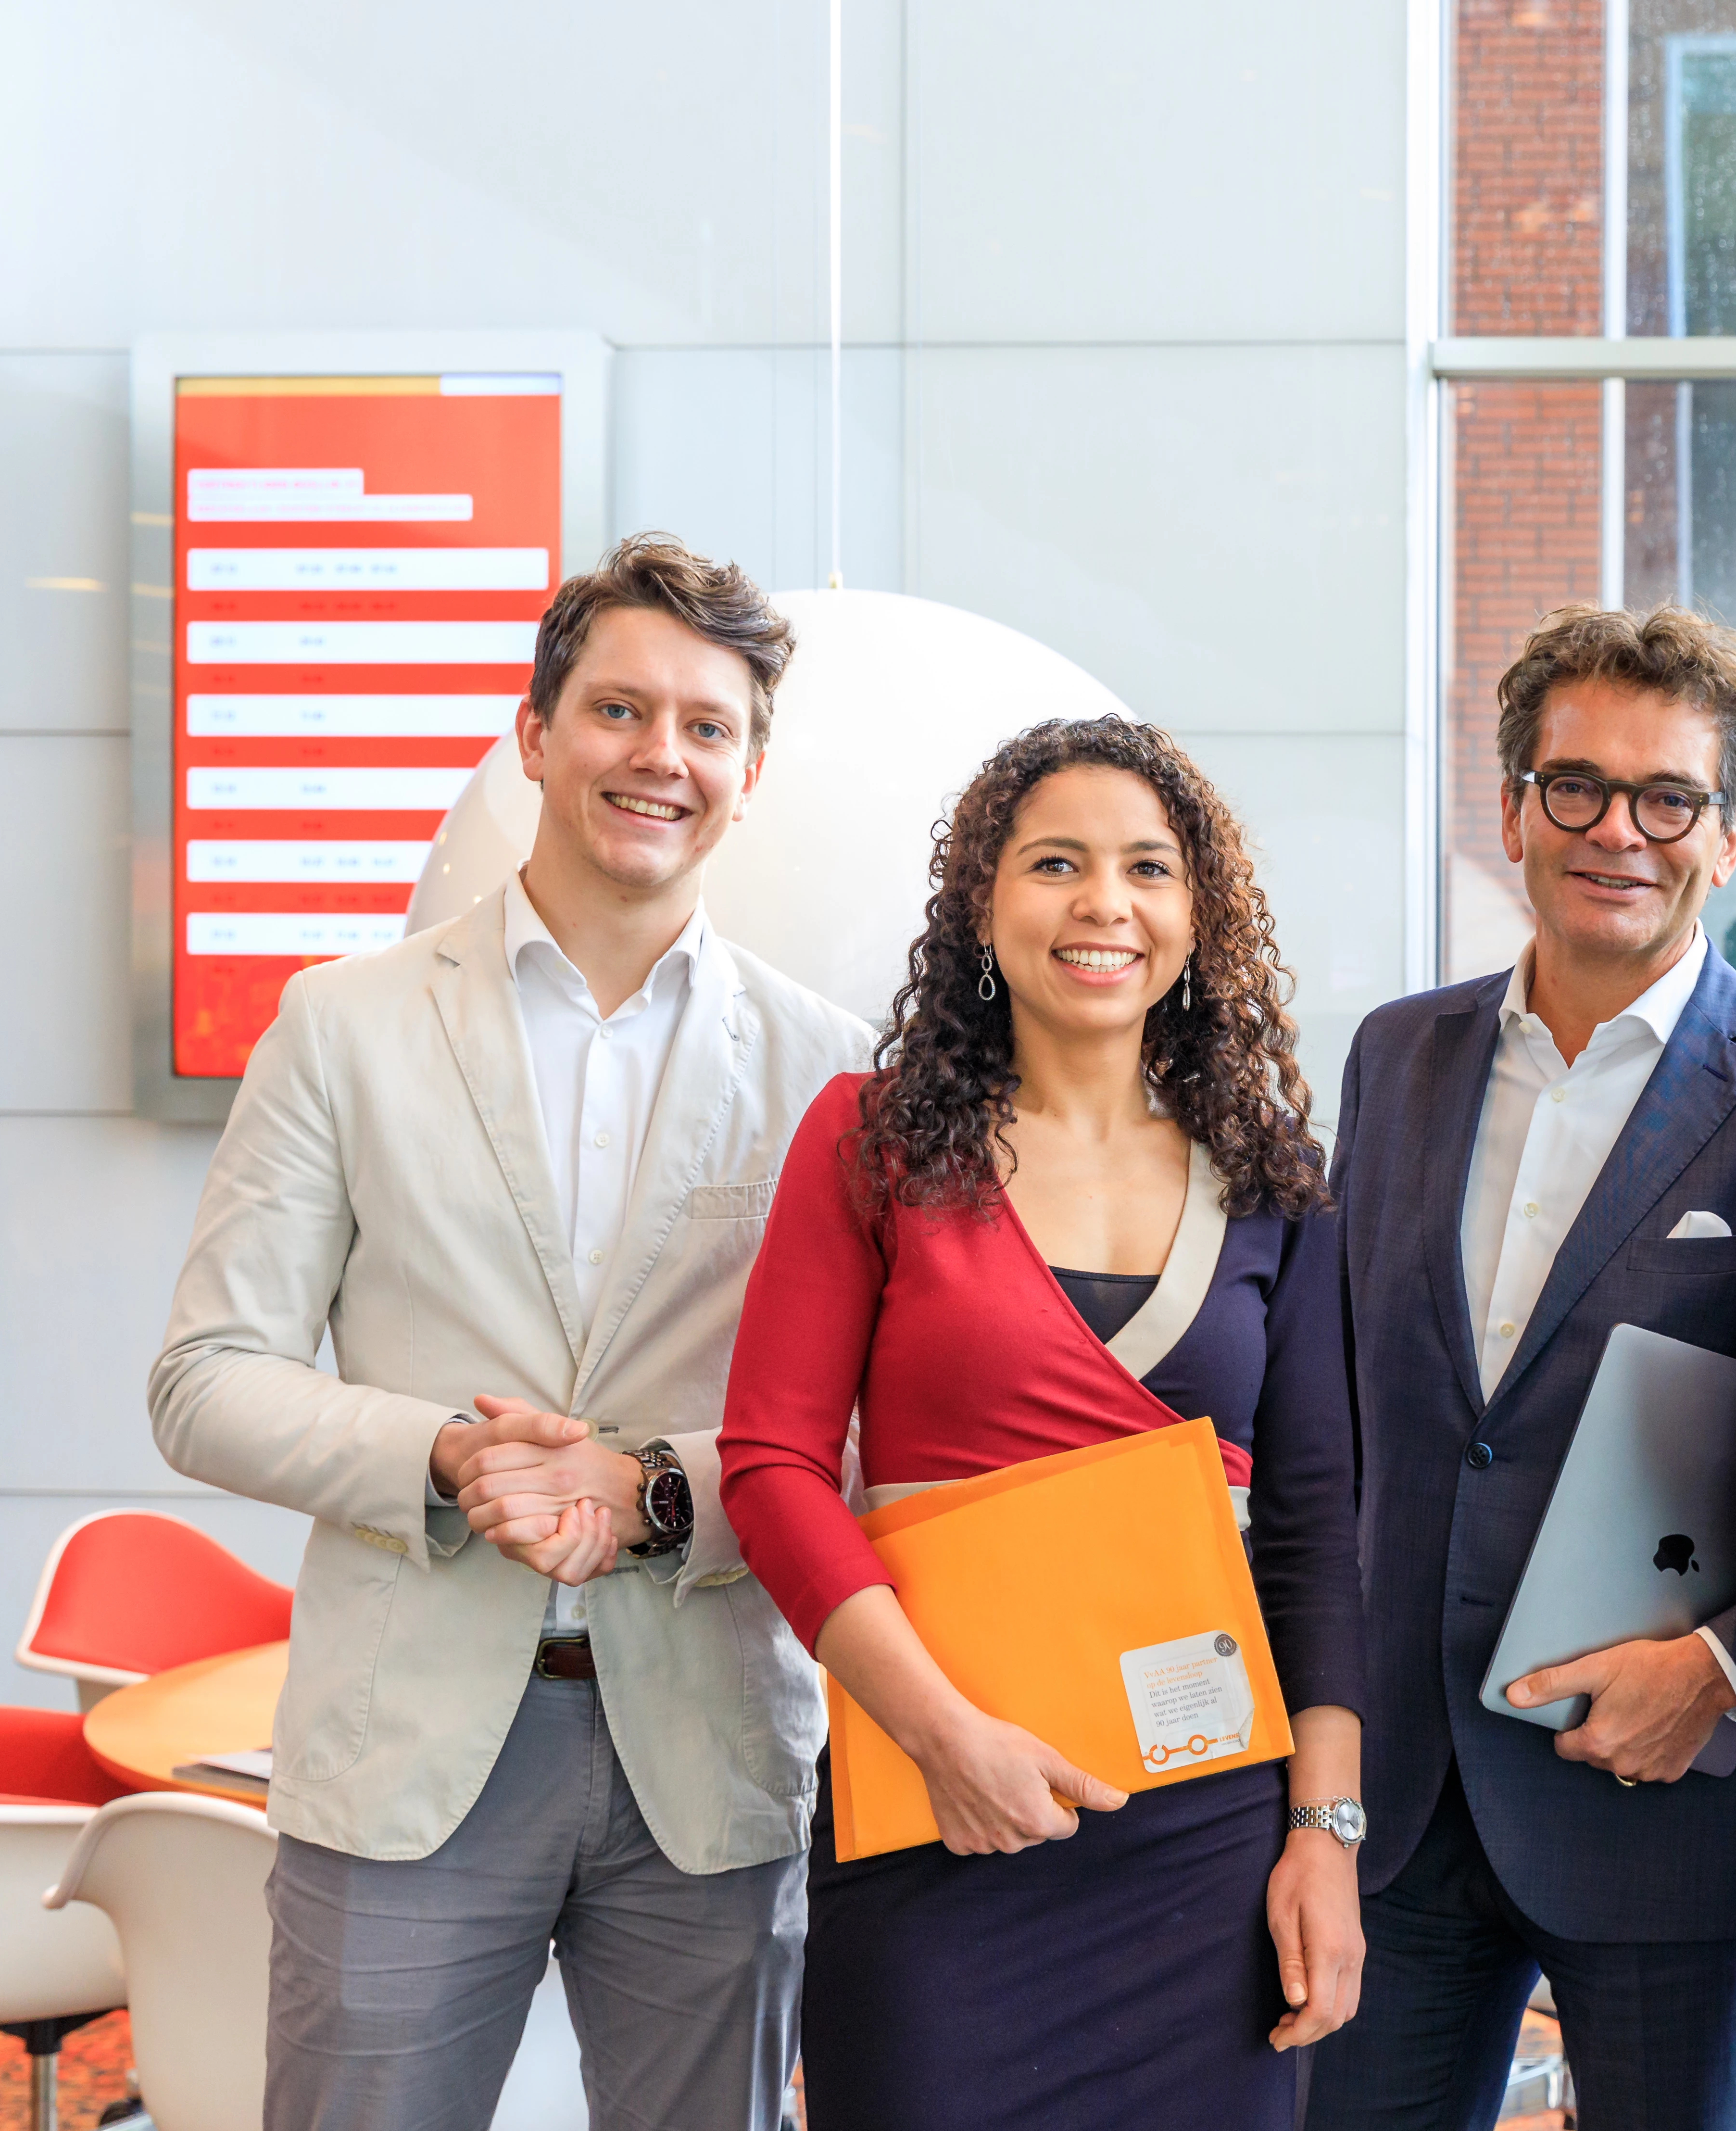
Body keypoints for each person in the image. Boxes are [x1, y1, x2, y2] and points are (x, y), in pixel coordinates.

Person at [149, 534, 870, 2129]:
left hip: (716, 1746)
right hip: (404, 1748)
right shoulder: (340, 1025)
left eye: (704, 725)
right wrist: (447, 1452)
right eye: (619, 709)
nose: (658, 756)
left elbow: (869, 1419)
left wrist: (662, 1488)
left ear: (750, 772)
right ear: (535, 735)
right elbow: (205, 1381)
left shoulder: (836, 1068)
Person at [713, 717, 1365, 2129]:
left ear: (1199, 914)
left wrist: (1323, 1834)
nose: (1103, 904)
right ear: (983, 901)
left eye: (1147, 867)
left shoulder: (1275, 1180)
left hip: (1206, 1847)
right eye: (1054, 862)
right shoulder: (871, 1139)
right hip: (931, 1819)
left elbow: (1316, 1535)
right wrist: (944, 1734)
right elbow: (769, 1468)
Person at [1305, 606, 1736, 2131]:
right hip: (1400, 1804)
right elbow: (1355, 1434)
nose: (1615, 830)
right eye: (1573, 786)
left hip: (1668, 1793)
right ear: (1511, 811)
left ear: (1729, 835)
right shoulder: (1392, 1057)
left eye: (1666, 798)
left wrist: (1733, 1679)